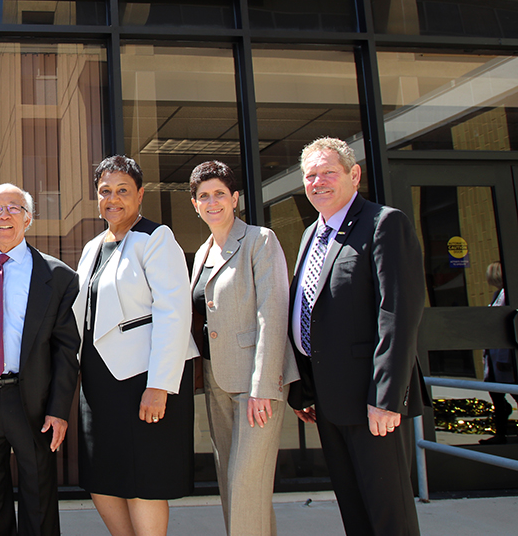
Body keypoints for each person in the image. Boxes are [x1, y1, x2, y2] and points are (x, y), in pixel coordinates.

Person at [287, 137, 426, 536]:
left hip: (371, 404)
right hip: (329, 403)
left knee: (388, 515)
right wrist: (306, 391)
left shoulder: (384, 223)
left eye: (328, 172)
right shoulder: (311, 235)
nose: (318, 182)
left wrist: (385, 398)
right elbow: (309, 313)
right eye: (310, 176)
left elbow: (397, 316)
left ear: (354, 174)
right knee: (354, 511)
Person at [72, 155, 198, 536]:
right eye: (105, 191)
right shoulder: (93, 246)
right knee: (103, 480)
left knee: (143, 483)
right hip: (98, 383)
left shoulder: (155, 238)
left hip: (142, 380)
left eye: (123, 190)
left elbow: (174, 314)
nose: (113, 198)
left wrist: (159, 385)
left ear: (140, 194)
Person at [188, 160, 298, 536]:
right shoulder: (201, 254)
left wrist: (264, 386)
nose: (212, 202)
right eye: (204, 196)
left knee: (245, 485)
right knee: (232, 485)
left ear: (235, 198)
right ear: (195, 204)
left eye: (220, 193)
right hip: (218, 383)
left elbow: (273, 314)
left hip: (256, 384)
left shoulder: (259, 239)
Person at [0, 183, 80, 536]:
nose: (5, 215)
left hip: (31, 400)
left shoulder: (58, 276)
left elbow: (66, 350)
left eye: (14, 208)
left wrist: (59, 409)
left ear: (28, 219)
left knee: (39, 492)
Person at [481, 261, 516, 445]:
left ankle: (502, 432)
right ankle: (501, 433)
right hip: (494, 356)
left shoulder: (507, 295)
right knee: (496, 394)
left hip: (505, 356)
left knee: (510, 391)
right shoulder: (498, 295)